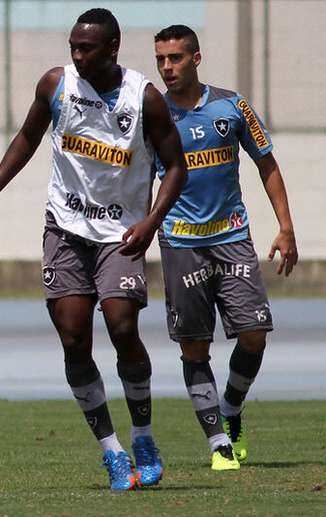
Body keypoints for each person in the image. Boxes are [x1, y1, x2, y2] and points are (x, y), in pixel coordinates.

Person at [0, 8, 187, 491]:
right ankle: (112, 453)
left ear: (112, 48)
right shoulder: (56, 85)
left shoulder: (145, 98)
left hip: (122, 233)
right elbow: (28, 137)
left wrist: (152, 220)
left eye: (86, 48)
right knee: (73, 336)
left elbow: (175, 167)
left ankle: (145, 436)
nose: (76, 55)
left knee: (121, 324)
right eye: (72, 46)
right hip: (65, 228)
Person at [153, 25, 298, 470]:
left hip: (232, 238)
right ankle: (218, 442)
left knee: (254, 334)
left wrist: (286, 226)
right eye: (160, 59)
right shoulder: (151, 115)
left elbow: (266, 162)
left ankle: (232, 406)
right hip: (180, 243)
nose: (166, 67)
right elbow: (139, 179)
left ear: (196, 58)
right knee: (194, 346)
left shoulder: (232, 106)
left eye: (175, 58)